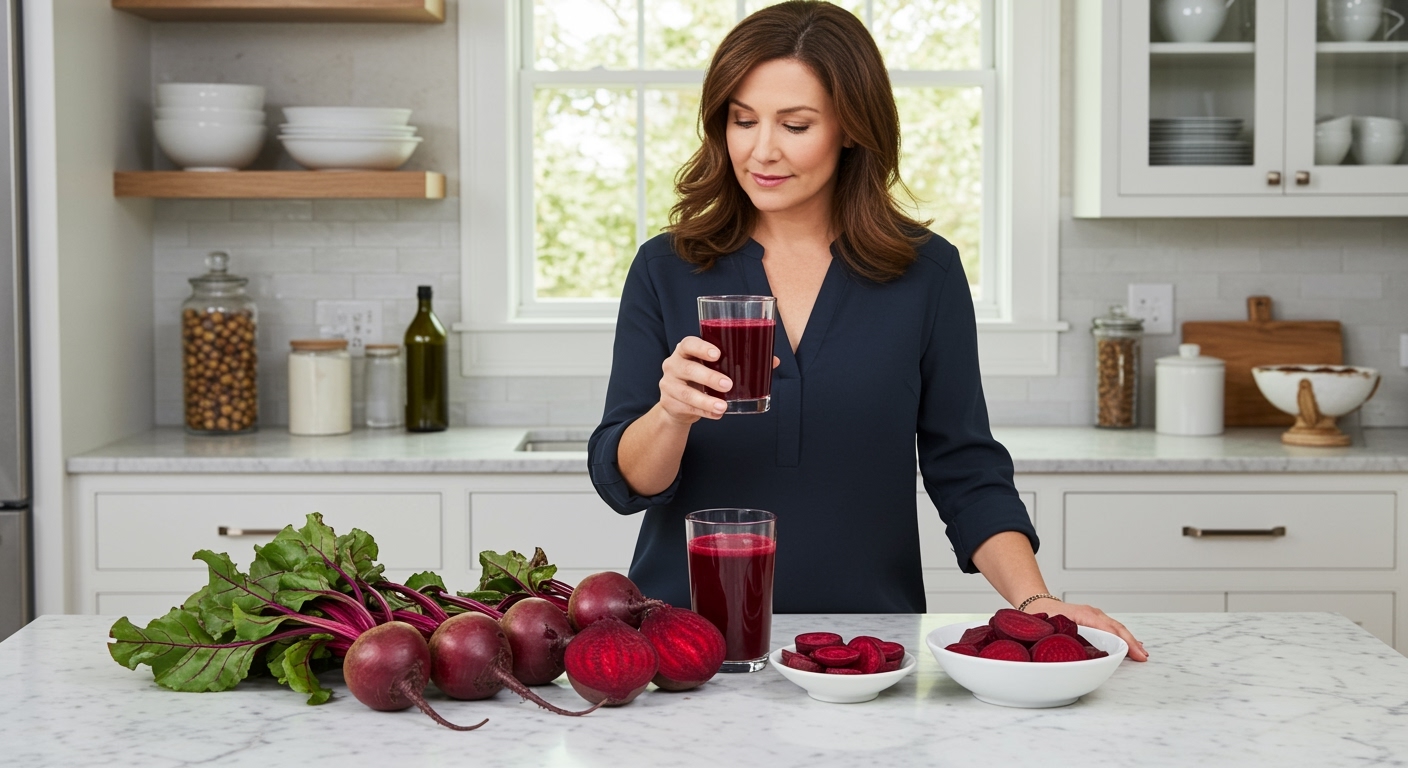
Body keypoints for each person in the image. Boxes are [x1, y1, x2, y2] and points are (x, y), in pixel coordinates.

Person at [587, 0, 1147, 661]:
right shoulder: (668, 266)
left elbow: (964, 465)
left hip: (864, 653)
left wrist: (1034, 603)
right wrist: (672, 414)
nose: (761, 148)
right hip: (684, 649)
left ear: (851, 126)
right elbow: (622, 480)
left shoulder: (924, 274)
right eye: (742, 120)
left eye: (795, 124)